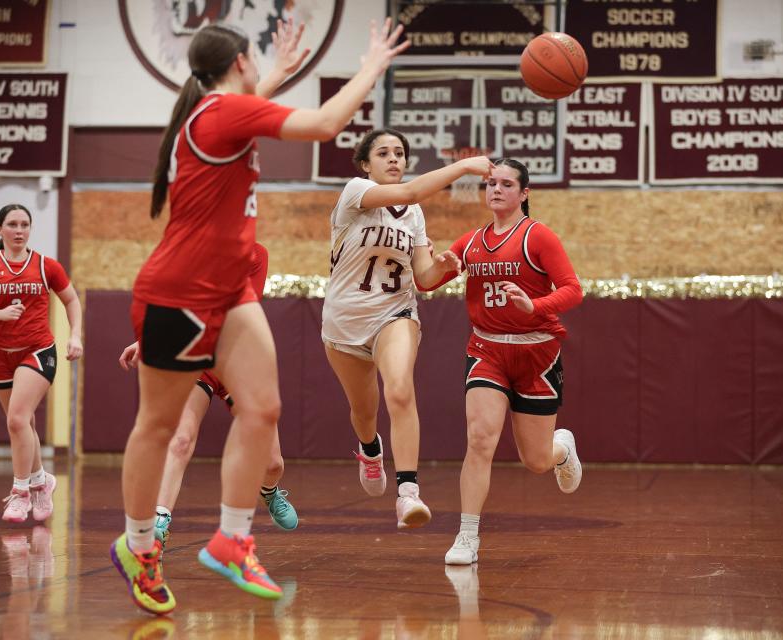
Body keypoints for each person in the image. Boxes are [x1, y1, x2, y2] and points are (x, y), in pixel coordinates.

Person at [110, 18, 409, 615]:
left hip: (228, 291)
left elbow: (249, 105)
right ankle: (139, 545)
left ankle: (231, 537)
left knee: (262, 408)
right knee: (159, 428)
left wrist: (274, 74)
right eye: (258, 63)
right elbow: (325, 124)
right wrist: (373, 65)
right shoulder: (221, 113)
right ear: (240, 62)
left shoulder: (220, 110)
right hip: (180, 292)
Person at [322, 128, 492, 529]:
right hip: (344, 324)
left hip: (394, 314)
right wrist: (466, 164)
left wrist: (446, 268)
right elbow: (411, 192)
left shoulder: (413, 215)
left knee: (399, 389)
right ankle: (369, 449)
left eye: (399, 152)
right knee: (364, 413)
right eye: (384, 153)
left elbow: (424, 277)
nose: (394, 159)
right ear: (366, 164)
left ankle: (408, 493)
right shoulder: (355, 192)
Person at [418, 159, 584, 565]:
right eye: (491, 183)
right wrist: (438, 263)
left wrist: (536, 304)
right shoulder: (471, 241)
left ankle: (561, 449)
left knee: (536, 461)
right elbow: (425, 282)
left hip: (536, 353)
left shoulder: (538, 237)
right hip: (487, 351)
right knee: (480, 440)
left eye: (506, 184)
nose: (495, 189)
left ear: (524, 194)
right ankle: (467, 536)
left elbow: (573, 290)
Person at [117, 243, 299, 544]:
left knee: (272, 464)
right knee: (181, 439)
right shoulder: (189, 252)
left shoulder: (255, 255)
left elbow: (231, 314)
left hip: (238, 361)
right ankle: (160, 518)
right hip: (197, 359)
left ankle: (268, 491)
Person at [0, 204, 84, 524]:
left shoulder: (45, 265)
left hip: (38, 351)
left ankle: (21, 491)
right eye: (12, 224)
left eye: (25, 224)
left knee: (16, 419)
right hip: (0, 354)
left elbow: (71, 299)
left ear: (30, 229)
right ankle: (42, 480)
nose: (19, 230)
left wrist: (75, 336)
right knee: (23, 424)